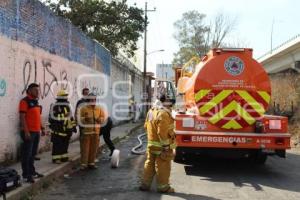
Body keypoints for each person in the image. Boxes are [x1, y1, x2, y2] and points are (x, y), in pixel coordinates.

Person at [139, 94, 176, 193]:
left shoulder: (151, 111)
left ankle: (145, 185)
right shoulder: (163, 114)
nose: (171, 102)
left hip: (151, 145)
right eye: (169, 100)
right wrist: (166, 146)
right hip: (161, 146)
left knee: (149, 164)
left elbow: (146, 126)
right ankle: (163, 187)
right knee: (163, 165)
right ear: (164, 101)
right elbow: (162, 131)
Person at [19, 83, 44, 183]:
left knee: (33, 154)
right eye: (35, 90)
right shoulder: (24, 101)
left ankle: (32, 172)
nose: (37, 92)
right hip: (29, 132)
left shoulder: (36, 102)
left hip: (36, 131)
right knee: (27, 154)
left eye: (38, 90)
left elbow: (38, 116)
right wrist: (26, 131)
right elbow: (22, 117)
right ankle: (26, 175)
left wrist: (42, 127)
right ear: (29, 91)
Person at [48, 90, 76, 164]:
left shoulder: (67, 106)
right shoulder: (55, 106)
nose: (66, 98)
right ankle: (56, 159)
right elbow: (52, 118)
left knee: (65, 145)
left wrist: (74, 127)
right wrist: (64, 116)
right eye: (64, 96)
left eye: (66, 96)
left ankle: (64, 157)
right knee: (57, 145)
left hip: (66, 130)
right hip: (57, 130)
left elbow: (71, 117)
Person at [79, 93, 105, 170]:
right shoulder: (84, 108)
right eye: (91, 99)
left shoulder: (99, 108)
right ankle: (84, 164)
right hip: (86, 132)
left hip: (96, 132)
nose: (93, 101)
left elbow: (103, 118)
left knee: (94, 149)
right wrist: (85, 119)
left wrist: (99, 120)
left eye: (94, 99)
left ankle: (91, 163)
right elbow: (79, 119)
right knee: (85, 149)